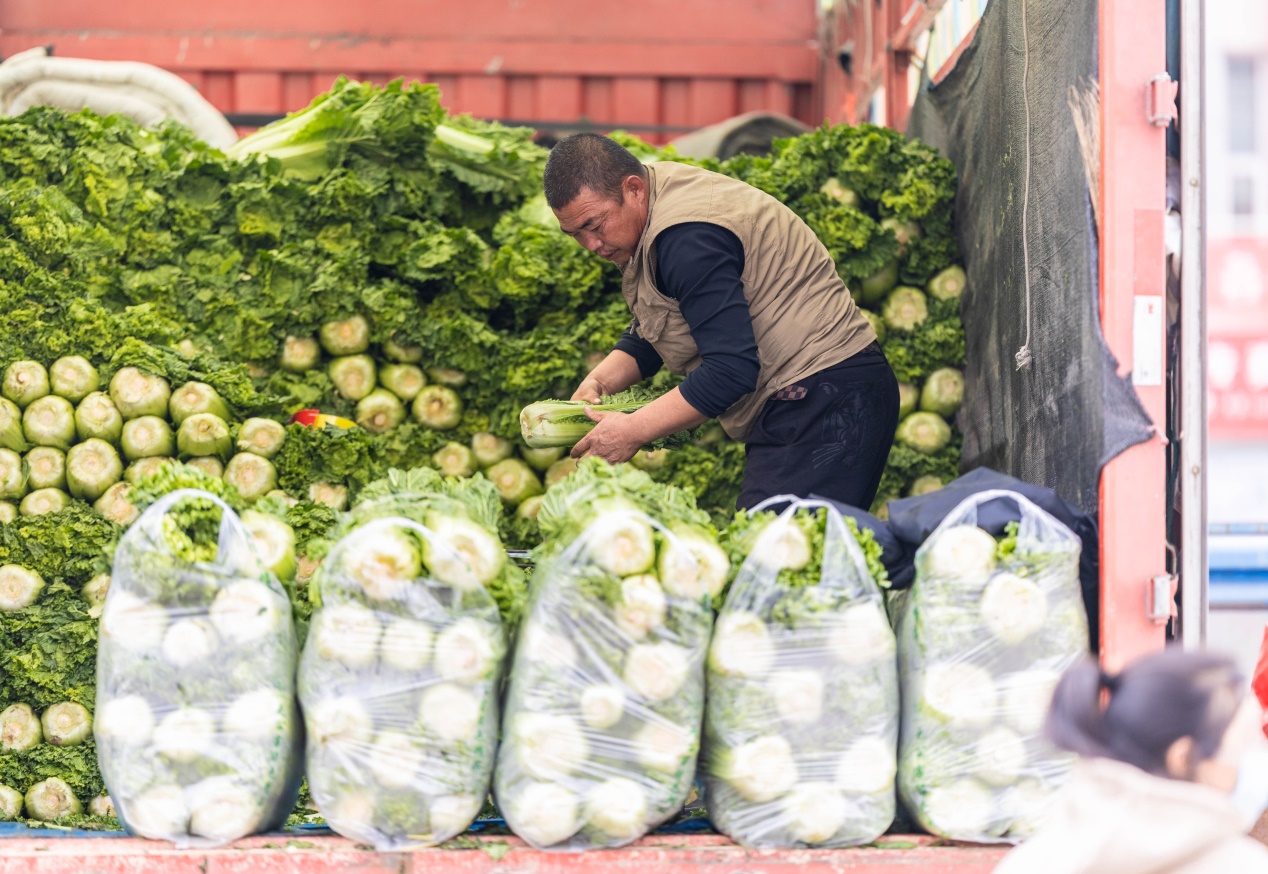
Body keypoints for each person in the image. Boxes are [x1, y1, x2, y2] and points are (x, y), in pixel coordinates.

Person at [543, 133, 899, 510]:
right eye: (575, 235)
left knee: (780, 556)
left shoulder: (687, 238)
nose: (591, 245)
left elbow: (732, 370)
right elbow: (669, 321)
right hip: (813, 394)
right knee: (783, 552)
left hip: (828, 402)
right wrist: (599, 381)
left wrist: (634, 429)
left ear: (633, 189)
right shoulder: (655, 196)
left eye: (595, 225)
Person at [994, 649, 1268, 874]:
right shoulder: (1244, 866)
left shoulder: (1030, 862)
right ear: (1183, 757)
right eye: (1246, 745)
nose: (1256, 758)